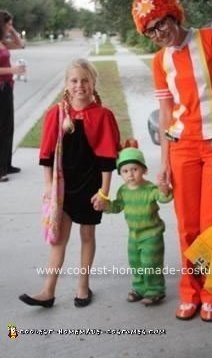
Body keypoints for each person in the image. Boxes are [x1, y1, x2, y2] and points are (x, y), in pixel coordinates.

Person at [132, 0, 212, 321]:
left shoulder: (211, 39)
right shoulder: (159, 60)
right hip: (181, 149)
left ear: (173, 14)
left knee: (211, 225)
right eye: (149, 30)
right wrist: (164, 162)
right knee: (187, 227)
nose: (158, 33)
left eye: (160, 24)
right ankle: (190, 292)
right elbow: (166, 114)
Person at [19, 58, 121, 308]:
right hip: (62, 187)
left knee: (87, 234)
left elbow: (107, 158)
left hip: (90, 185)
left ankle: (83, 286)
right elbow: (46, 155)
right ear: (66, 84)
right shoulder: (56, 114)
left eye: (85, 80)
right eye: (74, 80)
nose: (79, 85)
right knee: (58, 238)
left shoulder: (103, 115)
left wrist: (104, 193)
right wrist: (47, 187)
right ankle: (48, 291)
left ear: (93, 83)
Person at [98, 144, 173, 306]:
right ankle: (139, 288)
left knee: (150, 263)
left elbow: (163, 198)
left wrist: (164, 189)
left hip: (152, 234)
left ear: (144, 170)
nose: (130, 174)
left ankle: (155, 290)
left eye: (134, 169)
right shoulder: (123, 191)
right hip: (134, 235)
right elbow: (117, 206)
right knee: (136, 262)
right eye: (125, 171)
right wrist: (105, 206)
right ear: (120, 174)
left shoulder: (150, 189)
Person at [0, 10, 25, 182]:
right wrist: (12, 70)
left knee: (8, 127)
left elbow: (21, 44)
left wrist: (13, 29)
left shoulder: (3, 42)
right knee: (1, 128)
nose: (10, 26)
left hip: (7, 87)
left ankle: (7, 164)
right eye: (8, 23)